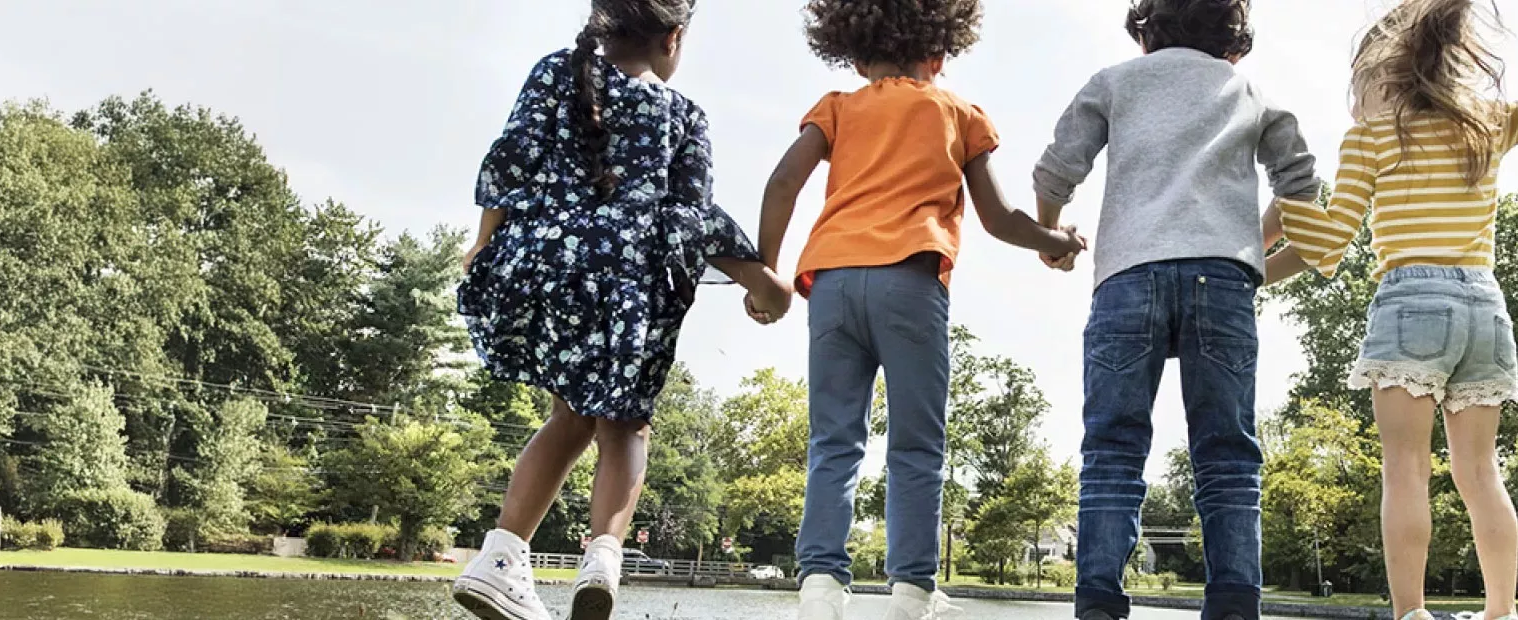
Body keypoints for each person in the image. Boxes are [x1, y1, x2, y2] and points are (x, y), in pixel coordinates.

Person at [451, 1, 795, 619]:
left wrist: (483, 240)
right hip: (627, 286)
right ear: (674, 38)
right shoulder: (681, 114)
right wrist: (760, 280)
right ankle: (603, 558)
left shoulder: (555, 72)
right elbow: (691, 220)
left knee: (570, 416)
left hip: (543, 268)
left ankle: (500, 560)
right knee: (626, 425)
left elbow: (511, 156)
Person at [1265, 1, 1518, 618]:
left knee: (1406, 469)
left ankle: (1411, 612)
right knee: (1481, 471)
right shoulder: (1487, 122)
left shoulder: (1371, 137)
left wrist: (1282, 217)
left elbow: (1330, 242)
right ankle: (1502, 611)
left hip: (1411, 302)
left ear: (1386, 75)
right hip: (1485, 305)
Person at [755, 1, 1087, 618]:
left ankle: (821, 585)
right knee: (915, 443)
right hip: (909, 280)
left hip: (829, 283)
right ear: (939, 52)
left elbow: (782, 183)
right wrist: (1059, 242)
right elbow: (999, 217)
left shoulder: (838, 107)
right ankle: (911, 589)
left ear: (854, 54)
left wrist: (767, 275)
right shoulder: (958, 112)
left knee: (834, 439)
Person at [1033, 1, 1324, 619]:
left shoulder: (1116, 80)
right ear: (1234, 42)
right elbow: (1300, 186)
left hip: (1125, 277)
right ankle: (1234, 604)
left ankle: (1099, 603)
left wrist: (1051, 236)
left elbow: (1057, 170)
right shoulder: (1248, 90)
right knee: (1227, 450)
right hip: (1221, 281)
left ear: (1147, 31)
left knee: (1112, 445)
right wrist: (1248, 239)